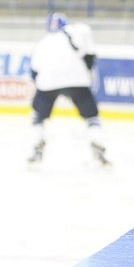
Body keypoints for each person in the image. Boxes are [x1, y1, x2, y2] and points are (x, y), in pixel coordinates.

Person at [27, 12, 109, 166]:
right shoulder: (78, 31)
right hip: (78, 79)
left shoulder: (43, 42)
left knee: (38, 116)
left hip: (48, 81)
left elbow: (34, 70)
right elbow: (90, 56)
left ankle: (37, 145)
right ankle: (97, 143)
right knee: (92, 117)